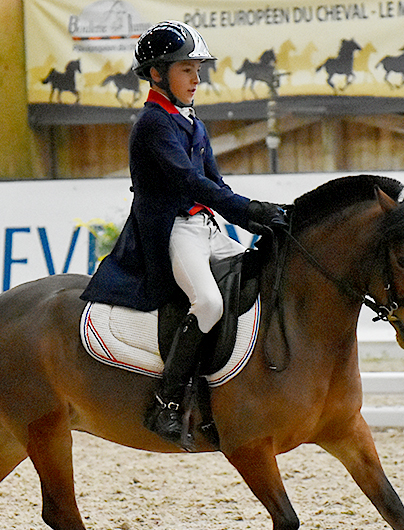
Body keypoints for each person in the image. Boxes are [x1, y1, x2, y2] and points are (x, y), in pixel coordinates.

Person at [80, 20, 286, 449]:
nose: (197, 79)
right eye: (187, 70)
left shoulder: (190, 120)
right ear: (158, 74)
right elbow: (189, 183)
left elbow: (215, 183)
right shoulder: (153, 125)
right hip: (171, 229)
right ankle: (167, 401)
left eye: (198, 70)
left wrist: (257, 218)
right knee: (208, 302)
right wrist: (247, 212)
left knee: (257, 272)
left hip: (204, 226)